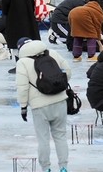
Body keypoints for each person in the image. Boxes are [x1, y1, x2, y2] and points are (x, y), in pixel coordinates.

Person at [16, 37, 71, 172]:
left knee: (43, 139)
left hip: (39, 106)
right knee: (60, 136)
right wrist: (57, 87)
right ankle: (63, 167)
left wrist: (23, 107)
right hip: (60, 101)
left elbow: (22, 87)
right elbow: (67, 71)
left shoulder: (22, 62)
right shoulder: (52, 53)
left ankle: (46, 168)